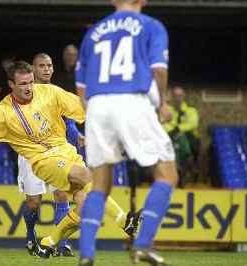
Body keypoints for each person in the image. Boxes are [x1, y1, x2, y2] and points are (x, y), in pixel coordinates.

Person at [0, 61, 140, 258]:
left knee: (85, 206)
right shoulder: (3, 114)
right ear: (11, 85)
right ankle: (124, 221)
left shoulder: (49, 92)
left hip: (67, 152)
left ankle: (48, 242)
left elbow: (84, 108)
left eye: (30, 82)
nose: (28, 88)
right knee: (88, 176)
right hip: (43, 160)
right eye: (22, 84)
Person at [75, 1, 178, 265]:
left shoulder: (93, 32)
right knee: (166, 174)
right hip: (132, 99)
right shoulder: (151, 26)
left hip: (97, 106)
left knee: (99, 185)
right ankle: (143, 244)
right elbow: (159, 70)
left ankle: (86, 254)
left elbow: (81, 90)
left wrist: (97, 118)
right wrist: (163, 104)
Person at [19, 53, 84, 257]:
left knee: (61, 194)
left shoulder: (57, 93)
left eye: (49, 65)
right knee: (33, 202)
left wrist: (77, 136)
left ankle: (61, 243)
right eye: (41, 65)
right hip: (31, 154)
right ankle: (31, 233)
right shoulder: (23, 93)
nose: (46, 69)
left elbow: (69, 122)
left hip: (57, 151)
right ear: (33, 69)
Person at [163, 86, 200, 186]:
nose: (177, 98)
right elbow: (164, 123)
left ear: (183, 96)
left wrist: (178, 128)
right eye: (175, 96)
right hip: (173, 137)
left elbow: (193, 124)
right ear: (172, 97)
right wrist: (173, 130)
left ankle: (180, 168)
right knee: (175, 140)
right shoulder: (168, 110)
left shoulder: (191, 110)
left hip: (190, 138)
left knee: (179, 137)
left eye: (180, 96)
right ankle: (187, 163)